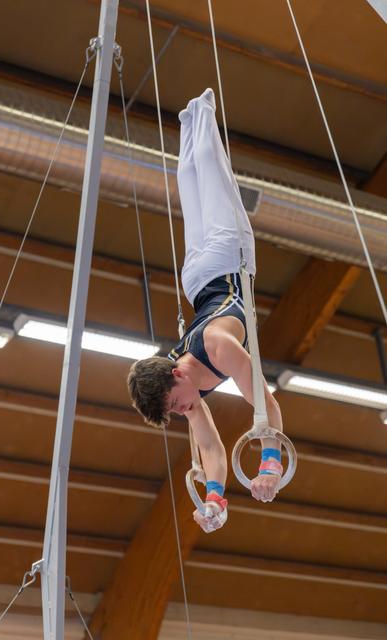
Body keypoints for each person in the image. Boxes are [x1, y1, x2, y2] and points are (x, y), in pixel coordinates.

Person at [128, 88, 283, 533]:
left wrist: (270, 462)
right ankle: (188, 119)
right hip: (197, 280)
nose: (181, 411)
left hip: (226, 254)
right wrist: (215, 501)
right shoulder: (184, 390)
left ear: (176, 373)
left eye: (175, 404)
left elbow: (267, 404)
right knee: (189, 180)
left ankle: (205, 109)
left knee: (211, 174)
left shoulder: (218, 345)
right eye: (174, 410)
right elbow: (213, 452)